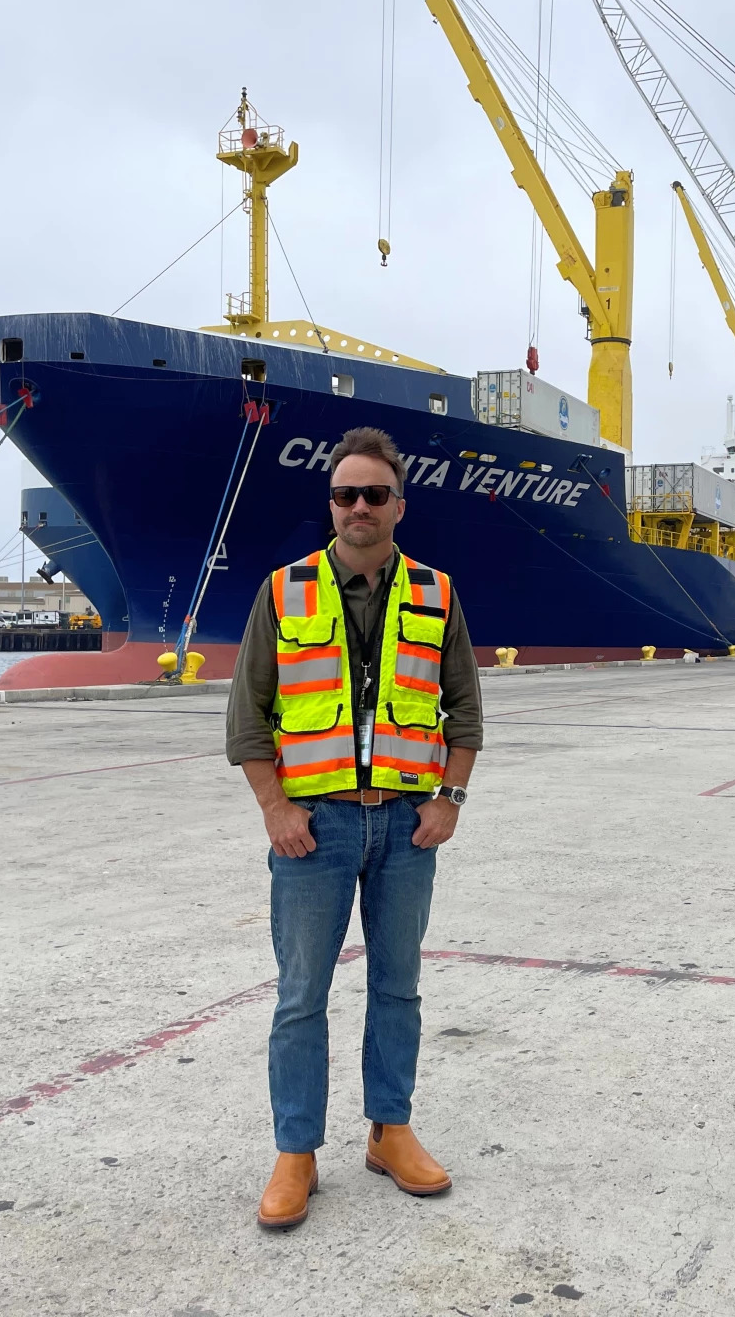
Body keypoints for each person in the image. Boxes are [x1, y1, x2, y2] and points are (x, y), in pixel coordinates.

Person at [225, 425, 482, 1229]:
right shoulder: (282, 591)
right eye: (346, 495)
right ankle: (295, 1152)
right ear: (330, 505)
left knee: (397, 986)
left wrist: (449, 799)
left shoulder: (438, 594)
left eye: (375, 494)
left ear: (399, 506)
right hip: (313, 831)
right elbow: (247, 718)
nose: (360, 507)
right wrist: (275, 808)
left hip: (406, 827)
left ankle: (389, 1131)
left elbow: (466, 712)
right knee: (301, 996)